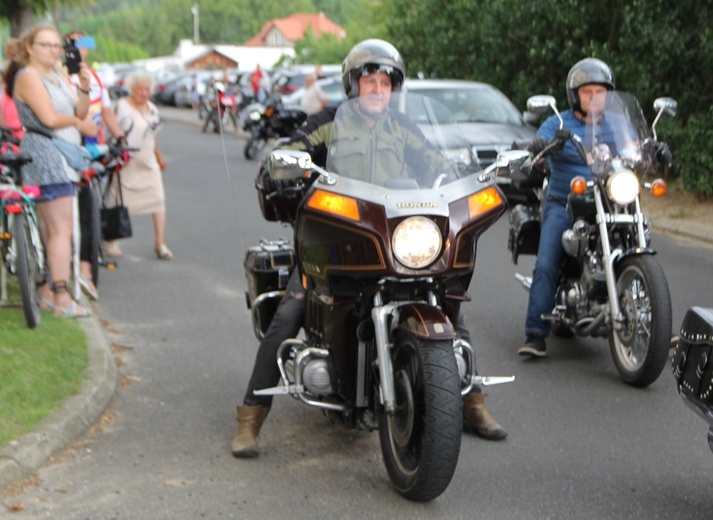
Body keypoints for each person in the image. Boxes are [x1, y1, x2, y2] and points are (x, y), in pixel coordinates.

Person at [231, 39, 507, 459]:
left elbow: (437, 164)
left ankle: (471, 402)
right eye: (369, 81)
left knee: (451, 307)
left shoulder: (403, 127)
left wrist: (460, 180)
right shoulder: (328, 122)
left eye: (385, 82)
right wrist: (283, 162)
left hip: (393, 241)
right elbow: (294, 149)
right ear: (353, 85)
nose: (378, 89)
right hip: (337, 243)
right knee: (290, 312)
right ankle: (251, 417)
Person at [517, 58, 614, 357]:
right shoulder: (559, 121)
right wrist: (541, 145)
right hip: (564, 204)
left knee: (637, 243)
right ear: (575, 95)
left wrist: (652, 149)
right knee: (546, 264)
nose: (594, 98)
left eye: (600, 92)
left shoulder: (614, 124)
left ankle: (654, 318)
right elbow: (539, 142)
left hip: (607, 202)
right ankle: (535, 333)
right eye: (588, 92)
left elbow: (634, 147)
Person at [5, 23, 97, 317]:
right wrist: (79, 125)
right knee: (60, 230)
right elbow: (48, 118)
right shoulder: (28, 77)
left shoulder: (56, 76)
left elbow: (78, 111)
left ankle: (46, 292)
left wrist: (83, 87)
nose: (53, 50)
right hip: (47, 154)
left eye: (57, 46)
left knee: (52, 229)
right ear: (30, 47)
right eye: (46, 45)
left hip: (59, 154)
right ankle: (62, 298)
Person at [64, 31, 125, 300]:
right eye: (75, 43)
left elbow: (107, 112)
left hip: (92, 147)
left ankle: (85, 267)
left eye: (84, 43)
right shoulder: (64, 75)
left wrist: (120, 138)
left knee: (89, 206)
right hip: (69, 143)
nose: (81, 48)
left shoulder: (96, 78)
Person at [109, 71, 172, 260]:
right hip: (125, 162)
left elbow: (152, 137)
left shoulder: (152, 109)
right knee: (118, 201)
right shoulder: (121, 106)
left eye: (147, 89)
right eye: (140, 89)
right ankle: (110, 240)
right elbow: (111, 131)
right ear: (132, 89)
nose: (144, 93)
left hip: (147, 162)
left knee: (158, 200)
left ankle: (159, 243)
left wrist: (159, 158)